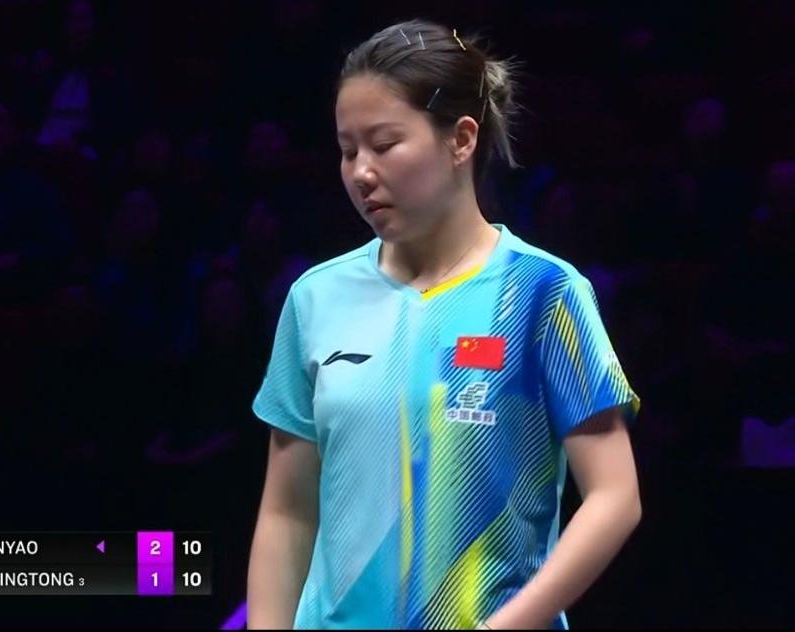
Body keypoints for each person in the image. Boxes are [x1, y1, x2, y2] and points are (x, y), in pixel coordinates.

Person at [247, 19, 641, 629]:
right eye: (348, 150)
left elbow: (615, 497)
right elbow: (288, 512)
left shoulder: (543, 293)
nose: (360, 171)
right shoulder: (316, 298)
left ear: (461, 140)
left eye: (384, 144)